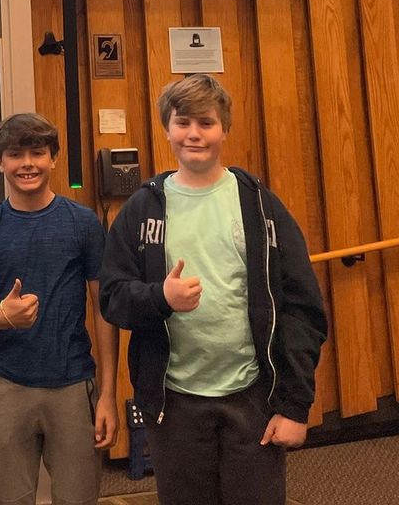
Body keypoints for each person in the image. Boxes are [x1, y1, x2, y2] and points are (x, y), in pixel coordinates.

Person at [99, 74, 327, 505]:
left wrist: (295, 406)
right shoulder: (142, 208)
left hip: (252, 399)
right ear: (167, 128)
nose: (194, 134)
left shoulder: (259, 205)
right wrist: (160, 299)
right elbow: (112, 298)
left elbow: (302, 309)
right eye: (183, 123)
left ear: (224, 128)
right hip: (174, 404)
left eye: (206, 123)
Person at [0, 113, 119, 505]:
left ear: (53, 158)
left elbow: (104, 312)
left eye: (37, 152)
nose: (27, 163)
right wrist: (2, 317)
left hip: (73, 386)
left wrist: (108, 396)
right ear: (0, 162)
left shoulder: (82, 223)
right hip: (8, 386)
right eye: (15, 154)